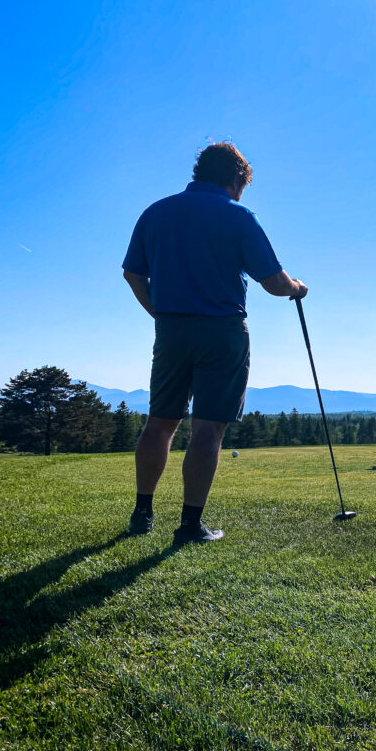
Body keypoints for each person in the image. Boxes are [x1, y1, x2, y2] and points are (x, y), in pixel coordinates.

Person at [121, 142, 307, 544]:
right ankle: (189, 525)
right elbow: (274, 282)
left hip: (171, 330)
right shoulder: (238, 216)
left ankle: (142, 512)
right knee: (208, 428)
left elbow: (133, 274)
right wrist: (298, 287)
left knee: (160, 422)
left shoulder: (156, 212)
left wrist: (159, 313)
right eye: (244, 184)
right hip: (222, 331)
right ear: (237, 178)